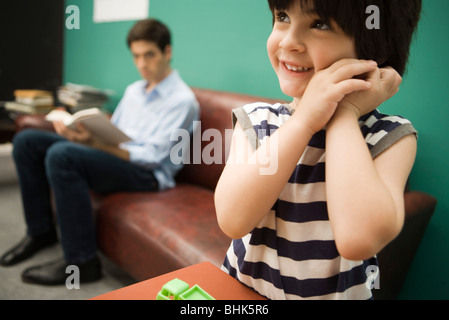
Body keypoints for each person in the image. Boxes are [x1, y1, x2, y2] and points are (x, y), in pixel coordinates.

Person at [215, 0, 422, 299]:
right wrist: (304, 122)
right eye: (282, 17)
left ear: (373, 47)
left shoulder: (390, 136)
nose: (288, 41)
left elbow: (358, 239)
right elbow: (233, 219)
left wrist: (345, 113)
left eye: (319, 24)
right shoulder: (257, 121)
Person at [0, 19, 199, 285]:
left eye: (149, 54)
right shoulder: (134, 91)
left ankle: (82, 262)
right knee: (27, 141)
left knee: (62, 155)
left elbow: (152, 159)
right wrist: (85, 136)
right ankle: (41, 231)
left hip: (148, 175)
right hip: (117, 157)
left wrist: (91, 146)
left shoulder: (183, 102)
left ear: (168, 52)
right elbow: (113, 133)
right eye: (136, 56)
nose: (142, 63)